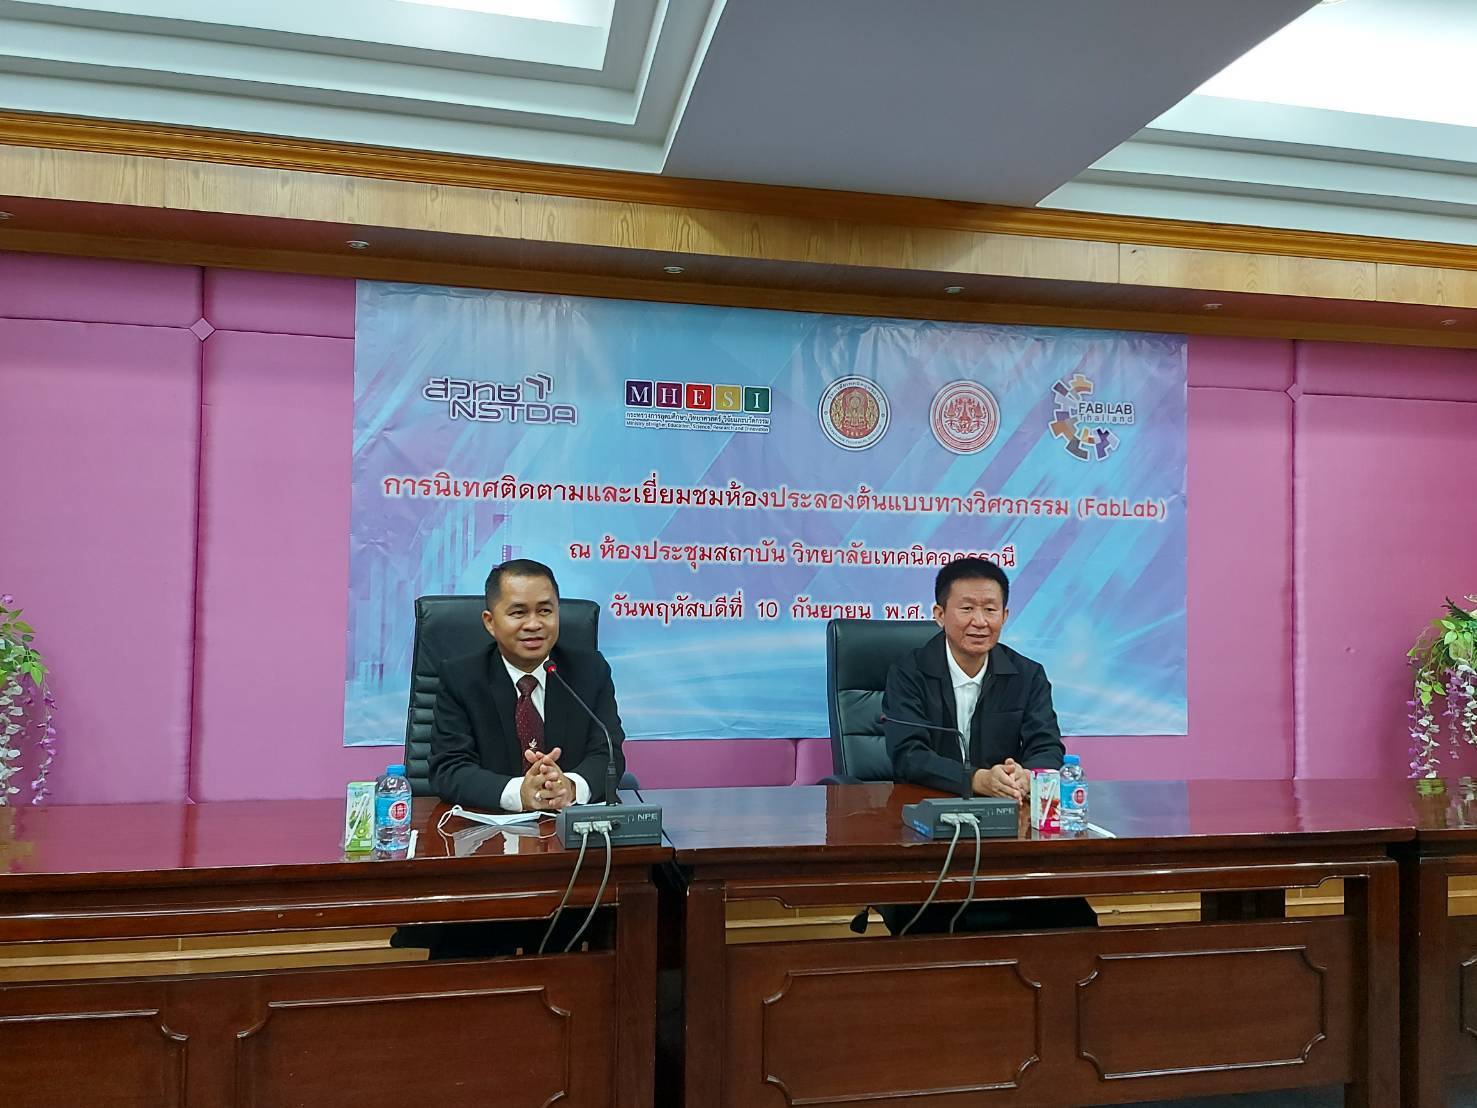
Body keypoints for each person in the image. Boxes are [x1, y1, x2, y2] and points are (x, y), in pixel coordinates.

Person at [876, 555, 1095, 932]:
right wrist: (976, 780)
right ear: (940, 614)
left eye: (990, 609)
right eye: (967, 608)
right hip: (930, 835)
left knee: (1075, 922)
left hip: (1008, 834)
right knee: (931, 924)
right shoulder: (909, 673)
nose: (980, 621)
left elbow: (1047, 745)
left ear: (1005, 616)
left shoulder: (1027, 675)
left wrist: (1028, 775)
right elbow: (908, 756)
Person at [430, 558, 626, 811]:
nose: (534, 624)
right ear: (490, 622)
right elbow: (449, 769)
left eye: (545, 611)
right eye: (518, 613)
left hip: (570, 825)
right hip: (490, 827)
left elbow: (608, 754)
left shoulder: (590, 671)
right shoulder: (461, 678)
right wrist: (519, 793)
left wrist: (570, 786)